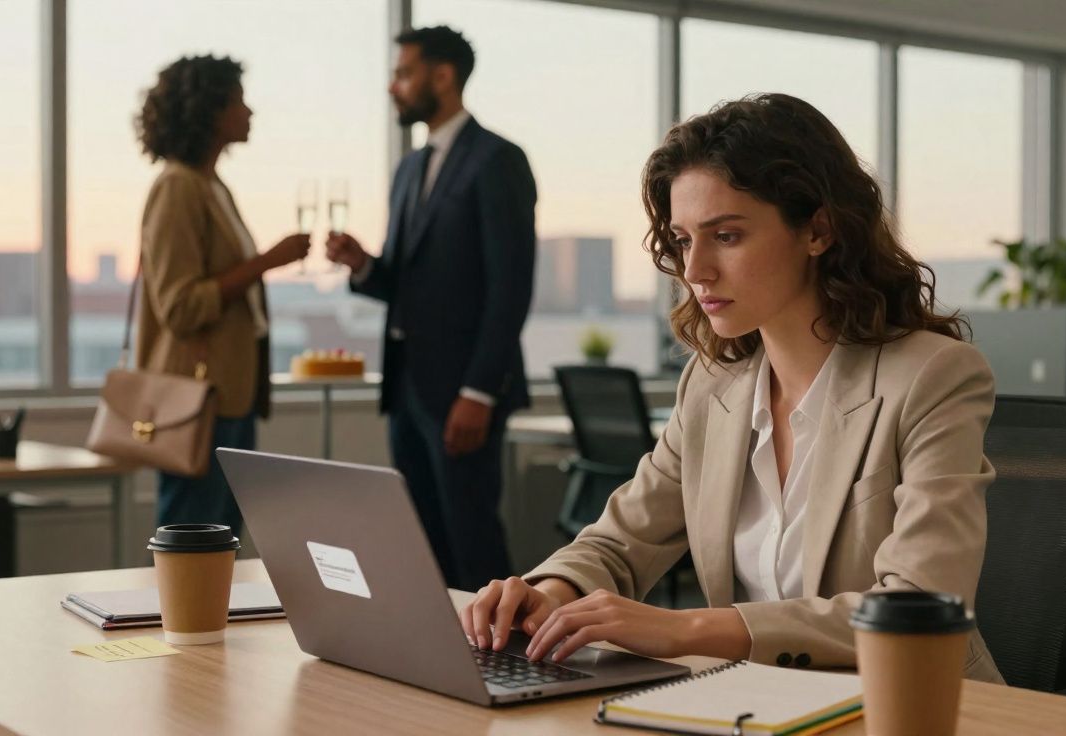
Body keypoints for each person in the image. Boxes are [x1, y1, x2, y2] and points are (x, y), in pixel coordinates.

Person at [459, 93, 1005, 684]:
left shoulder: (934, 377)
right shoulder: (714, 386)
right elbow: (620, 541)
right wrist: (552, 590)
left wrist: (687, 629)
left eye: (726, 236)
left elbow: (918, 604)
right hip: (758, 705)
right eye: (685, 240)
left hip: (911, 706)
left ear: (818, 229)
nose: (695, 271)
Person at [326, 27, 536, 591]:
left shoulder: (498, 160)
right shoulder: (409, 170)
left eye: (404, 73)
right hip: (407, 389)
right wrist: (363, 266)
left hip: (464, 393)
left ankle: (507, 665)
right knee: (420, 547)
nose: (394, 87)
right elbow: (403, 281)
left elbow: (511, 286)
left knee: (473, 546)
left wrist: (479, 391)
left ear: (442, 76)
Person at [134, 55, 311, 536]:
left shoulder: (212, 187)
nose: (249, 112)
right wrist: (266, 262)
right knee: (192, 542)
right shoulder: (177, 187)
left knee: (219, 543)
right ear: (210, 111)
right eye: (238, 101)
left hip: (230, 396)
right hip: (197, 402)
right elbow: (180, 306)